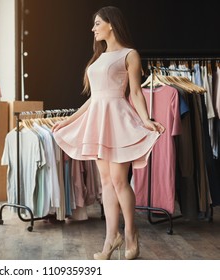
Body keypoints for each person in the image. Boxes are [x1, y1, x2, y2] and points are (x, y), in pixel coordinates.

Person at [52, 6, 165, 260]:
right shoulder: (99, 58)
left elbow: (135, 92)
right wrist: (68, 120)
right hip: (98, 120)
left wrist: (146, 120)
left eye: (97, 23)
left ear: (111, 24)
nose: (93, 29)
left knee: (118, 180)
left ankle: (131, 234)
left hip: (119, 120)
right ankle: (110, 239)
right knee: (106, 183)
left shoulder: (130, 54)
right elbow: (93, 99)